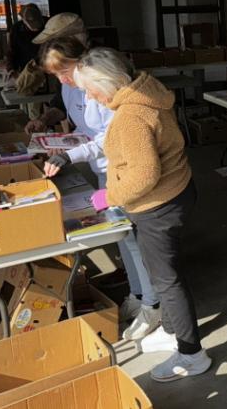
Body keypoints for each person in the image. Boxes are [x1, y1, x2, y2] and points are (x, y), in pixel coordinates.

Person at [74, 48, 210, 382]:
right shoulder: (148, 93)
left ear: (107, 83)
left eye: (89, 89)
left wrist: (111, 195)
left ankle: (192, 354)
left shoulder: (131, 117)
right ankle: (170, 329)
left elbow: (144, 175)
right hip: (177, 191)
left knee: (167, 278)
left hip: (158, 205)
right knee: (163, 272)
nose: (87, 96)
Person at [33, 34, 161, 342]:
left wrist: (71, 153)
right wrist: (61, 142)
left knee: (134, 238)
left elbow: (112, 136)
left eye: (65, 71)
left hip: (124, 170)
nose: (63, 79)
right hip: (103, 169)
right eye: (57, 75)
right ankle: (138, 293)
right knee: (122, 238)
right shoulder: (69, 87)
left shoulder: (101, 84)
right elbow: (85, 130)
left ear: (83, 61)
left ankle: (153, 304)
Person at [6, 4, 45, 75]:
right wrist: (11, 69)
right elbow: (11, 51)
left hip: (48, 67)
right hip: (26, 69)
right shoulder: (16, 29)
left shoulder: (49, 24)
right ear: (23, 20)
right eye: (31, 23)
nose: (35, 26)